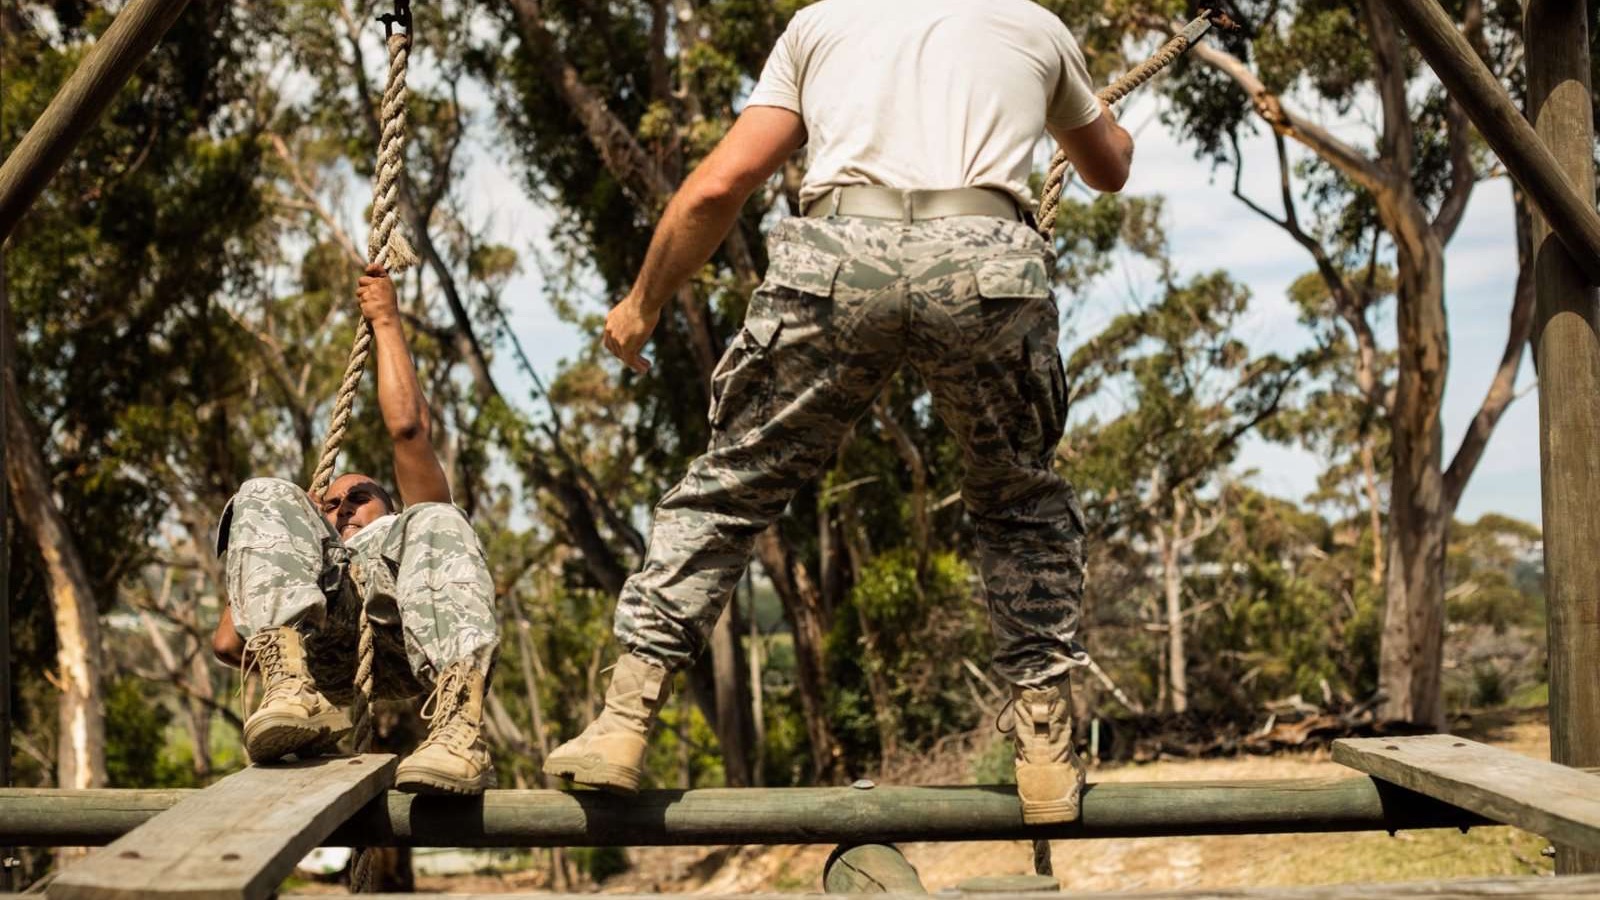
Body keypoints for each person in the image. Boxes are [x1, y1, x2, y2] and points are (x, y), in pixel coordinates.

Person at [543, 0, 1133, 823]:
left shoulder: (822, 24)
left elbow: (722, 182)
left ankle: (623, 723)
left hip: (837, 259)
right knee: (1019, 501)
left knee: (729, 490)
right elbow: (1109, 167)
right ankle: (1043, 749)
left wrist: (642, 306)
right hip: (984, 258)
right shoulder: (1035, 25)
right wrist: (1098, 112)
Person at [211, 265, 499, 795]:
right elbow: (229, 642)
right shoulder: (319, 557)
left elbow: (408, 429)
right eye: (333, 502)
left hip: (410, 631)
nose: (343, 506)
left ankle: (459, 729)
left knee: (439, 517)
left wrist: (386, 320)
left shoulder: (407, 528)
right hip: (327, 642)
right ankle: (294, 697)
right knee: (260, 490)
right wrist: (287, 528)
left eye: (360, 496)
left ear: (389, 505)